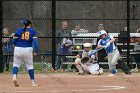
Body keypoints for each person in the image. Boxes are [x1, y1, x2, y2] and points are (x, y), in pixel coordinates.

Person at [12, 19, 39, 87]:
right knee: (30, 66)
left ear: (24, 24)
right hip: (28, 49)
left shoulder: (18, 30)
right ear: (30, 24)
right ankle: (33, 82)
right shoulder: (33, 31)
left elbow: (13, 41)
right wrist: (36, 50)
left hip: (18, 48)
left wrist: (14, 44)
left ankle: (14, 77)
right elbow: (35, 43)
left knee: (16, 64)